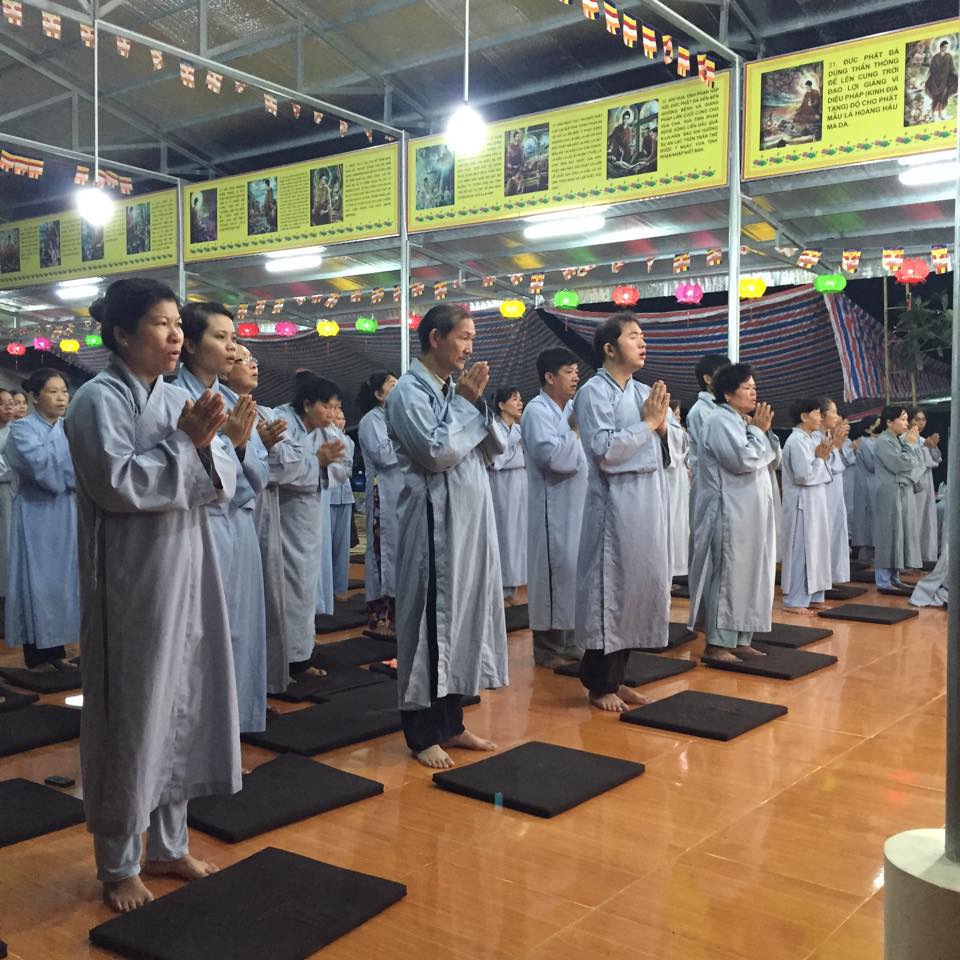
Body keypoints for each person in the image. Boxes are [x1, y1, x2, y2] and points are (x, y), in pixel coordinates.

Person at [64, 278, 240, 913]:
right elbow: (117, 485)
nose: (175, 337)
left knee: (183, 701)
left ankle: (169, 845)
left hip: (188, 563)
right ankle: (118, 864)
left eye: (177, 325)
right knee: (133, 712)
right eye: (161, 324)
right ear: (122, 334)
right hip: (131, 580)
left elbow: (220, 477)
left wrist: (207, 444)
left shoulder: (176, 396)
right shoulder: (97, 400)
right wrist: (187, 444)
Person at [386, 303, 507, 768]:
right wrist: (465, 405)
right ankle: (422, 734)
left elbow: (497, 447)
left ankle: (452, 724)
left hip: (469, 524)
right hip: (433, 526)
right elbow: (435, 452)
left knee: (461, 622)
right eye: (463, 337)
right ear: (435, 338)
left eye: (473, 338)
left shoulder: (455, 389)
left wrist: (473, 403)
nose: (470, 348)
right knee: (431, 627)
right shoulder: (408, 392)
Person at [574, 312, 674, 712]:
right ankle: (599, 684)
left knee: (638, 590)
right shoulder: (593, 393)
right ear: (609, 348)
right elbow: (604, 451)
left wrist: (663, 429)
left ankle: (618, 677)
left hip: (649, 503)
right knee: (611, 592)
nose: (643, 342)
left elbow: (677, 443)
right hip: (614, 508)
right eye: (633, 336)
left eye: (643, 335)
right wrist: (648, 425)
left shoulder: (645, 391)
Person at [175, 303, 268, 734]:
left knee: (240, 628)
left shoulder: (234, 401)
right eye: (220, 337)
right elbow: (185, 472)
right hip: (200, 527)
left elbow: (260, 473)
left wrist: (243, 446)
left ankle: (233, 728)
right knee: (203, 633)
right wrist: (230, 443)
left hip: (238, 524)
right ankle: (202, 735)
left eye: (234, 338)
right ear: (191, 345)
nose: (232, 348)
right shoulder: (176, 398)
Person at [688, 363, 778, 662]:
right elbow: (742, 459)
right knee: (728, 574)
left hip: (750, 511)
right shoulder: (719, 420)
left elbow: (770, 458)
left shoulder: (742, 421)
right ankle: (717, 644)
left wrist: (760, 430)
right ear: (727, 394)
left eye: (755, 388)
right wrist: (758, 431)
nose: (754, 393)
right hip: (729, 511)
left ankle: (740, 638)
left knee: (750, 574)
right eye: (747, 388)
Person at [225, 345, 294, 697]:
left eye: (253, 360)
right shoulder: (215, 406)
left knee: (266, 598)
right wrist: (255, 449)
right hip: (232, 513)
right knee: (236, 608)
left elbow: (292, 463)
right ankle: (241, 691)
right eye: (242, 360)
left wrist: (258, 449)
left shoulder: (264, 412)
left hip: (264, 507)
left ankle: (265, 681)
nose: (252, 366)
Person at [4, 369, 79, 668]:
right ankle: (38, 655)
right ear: (34, 397)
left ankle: (58, 651)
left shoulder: (69, 427)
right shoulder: (21, 430)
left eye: (64, 391)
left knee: (64, 582)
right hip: (36, 514)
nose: (61, 398)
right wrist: (72, 464)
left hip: (68, 512)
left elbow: (87, 467)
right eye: (53, 391)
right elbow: (44, 472)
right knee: (37, 583)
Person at [274, 376, 348, 676]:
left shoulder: (328, 432)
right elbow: (279, 467)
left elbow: (342, 467)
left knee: (304, 586)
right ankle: (285, 659)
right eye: (326, 407)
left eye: (336, 408)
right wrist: (316, 461)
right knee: (284, 588)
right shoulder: (280, 421)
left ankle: (301, 654)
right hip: (280, 514)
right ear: (307, 404)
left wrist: (321, 465)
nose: (332, 414)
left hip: (310, 515)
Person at [521, 349, 587, 668]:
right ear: (550, 376)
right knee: (552, 574)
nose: (576, 378)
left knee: (574, 572)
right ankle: (547, 649)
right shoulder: (536, 411)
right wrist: (574, 430)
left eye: (577, 372)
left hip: (578, 503)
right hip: (551, 507)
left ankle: (572, 641)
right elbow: (553, 458)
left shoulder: (573, 408)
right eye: (569, 372)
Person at [780, 397, 834, 614]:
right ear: (804, 416)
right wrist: (820, 459)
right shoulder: (796, 441)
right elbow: (803, 475)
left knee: (818, 549)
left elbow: (825, 465)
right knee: (802, 551)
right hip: (802, 504)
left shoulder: (811, 439)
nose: (820, 417)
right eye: (816, 413)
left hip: (816, 501)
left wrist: (823, 457)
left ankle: (815, 596)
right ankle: (794, 600)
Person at [356, 371, 400, 636]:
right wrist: (407, 439)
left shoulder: (397, 417)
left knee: (399, 554)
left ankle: (398, 617)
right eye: (392, 385)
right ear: (378, 394)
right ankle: (380, 618)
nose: (398, 388)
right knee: (383, 553)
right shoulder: (371, 420)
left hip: (401, 493)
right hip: (382, 494)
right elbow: (384, 455)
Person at [873, 404, 925, 595]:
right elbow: (901, 464)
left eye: (905, 419)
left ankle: (894, 577)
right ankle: (883, 580)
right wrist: (910, 445)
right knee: (888, 534)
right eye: (902, 419)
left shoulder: (899, 440)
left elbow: (918, 464)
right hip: (889, 492)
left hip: (901, 490)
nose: (906, 423)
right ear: (889, 422)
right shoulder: (883, 441)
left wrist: (909, 447)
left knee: (900, 535)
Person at [487, 386, 527, 603]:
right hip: (502, 486)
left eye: (520, 399)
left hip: (521, 484)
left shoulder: (521, 429)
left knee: (519, 535)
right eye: (514, 399)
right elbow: (496, 461)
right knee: (504, 534)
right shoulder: (494, 429)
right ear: (502, 405)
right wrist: (514, 445)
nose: (519, 403)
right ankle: (501, 588)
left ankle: (514, 587)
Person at [818, 398, 851, 585]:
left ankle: (834, 575)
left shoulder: (827, 437)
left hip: (835, 490)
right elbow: (830, 466)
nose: (837, 417)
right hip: (824, 491)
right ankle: (825, 577)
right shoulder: (815, 438)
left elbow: (841, 463)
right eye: (834, 412)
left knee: (836, 529)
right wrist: (836, 447)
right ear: (821, 416)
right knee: (826, 531)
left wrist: (838, 446)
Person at [686, 353, 730, 477]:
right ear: (708, 379)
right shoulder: (700, 411)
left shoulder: (725, 408)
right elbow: (717, 451)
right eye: (724, 374)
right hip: (710, 478)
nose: (730, 379)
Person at [328, 408, 355, 602]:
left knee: (342, 546)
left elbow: (347, 467)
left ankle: (339, 588)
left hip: (345, 494)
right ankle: (325, 588)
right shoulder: (322, 437)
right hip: (328, 495)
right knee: (326, 544)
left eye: (342, 418)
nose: (340, 421)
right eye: (336, 417)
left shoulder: (349, 441)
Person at [910, 407, 941, 562]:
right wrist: (925, 448)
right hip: (913, 486)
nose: (921, 423)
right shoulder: (905, 440)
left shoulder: (923, 440)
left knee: (927, 521)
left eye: (923, 420)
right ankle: (913, 559)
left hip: (927, 484)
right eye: (917, 419)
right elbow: (910, 461)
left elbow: (937, 459)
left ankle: (926, 557)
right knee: (915, 522)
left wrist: (932, 446)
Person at [666, 399, 690, 578]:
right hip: (671, 479)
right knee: (672, 521)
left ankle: (677, 569)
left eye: (679, 414)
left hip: (681, 478)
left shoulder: (680, 431)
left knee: (681, 521)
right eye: (675, 413)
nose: (678, 417)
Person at [850, 417, 880, 561]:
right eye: (877, 425)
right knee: (868, 524)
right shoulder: (866, 442)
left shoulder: (877, 442)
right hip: (868, 487)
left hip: (875, 487)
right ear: (868, 429)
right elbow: (872, 465)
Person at [0, 388, 16, 627]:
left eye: (11, 402)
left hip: (11, 495)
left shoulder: (18, 431)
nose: (9, 407)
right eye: (3, 403)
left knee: (8, 549)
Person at [926, 39, 958, 121]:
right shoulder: (935, 57)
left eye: (946, 47)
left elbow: (952, 68)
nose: (944, 48)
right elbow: (931, 69)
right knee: (936, 98)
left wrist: (956, 74)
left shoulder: (949, 57)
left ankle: (940, 114)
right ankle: (933, 113)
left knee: (943, 97)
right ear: (940, 47)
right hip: (935, 81)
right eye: (943, 47)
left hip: (945, 81)